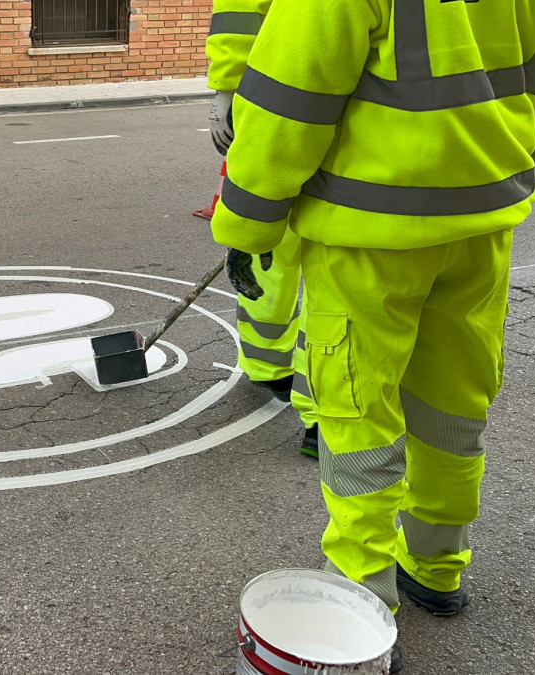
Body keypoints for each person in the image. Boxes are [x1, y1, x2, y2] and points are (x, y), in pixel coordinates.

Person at [210, 0, 535, 670]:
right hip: (481, 221)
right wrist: (518, 178)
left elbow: (292, 93)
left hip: (367, 227)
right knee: (453, 404)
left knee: (357, 409)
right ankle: (437, 566)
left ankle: (361, 585)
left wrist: (247, 224)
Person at [206, 0, 319, 457]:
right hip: (358, 116)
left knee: (270, 246)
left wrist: (227, 89)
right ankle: (321, 410)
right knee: (328, 275)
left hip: (278, 108)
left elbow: (239, 15)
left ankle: (273, 370)